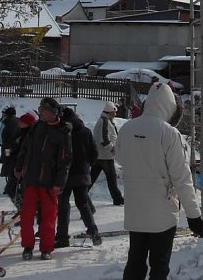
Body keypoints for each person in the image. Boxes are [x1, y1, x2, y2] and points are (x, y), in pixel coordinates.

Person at [116, 82, 203, 280]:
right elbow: (182, 178)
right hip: (162, 214)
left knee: (135, 261)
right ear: (170, 107)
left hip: (135, 210)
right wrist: (194, 215)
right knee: (159, 265)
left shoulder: (127, 128)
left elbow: (119, 158)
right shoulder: (169, 133)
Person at [15, 97, 72, 261]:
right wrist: (19, 167)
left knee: (48, 217)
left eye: (44, 110)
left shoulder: (63, 132)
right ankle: (27, 246)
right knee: (26, 216)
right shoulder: (36, 127)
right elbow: (25, 149)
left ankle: (46, 248)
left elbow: (65, 160)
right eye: (40, 109)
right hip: (31, 179)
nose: (41, 112)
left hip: (49, 182)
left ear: (53, 113)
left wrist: (60, 182)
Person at [54, 106, 101, 249]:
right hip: (82, 172)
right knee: (83, 203)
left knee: (63, 205)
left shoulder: (60, 131)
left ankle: (62, 237)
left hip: (65, 173)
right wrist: (87, 165)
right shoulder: (85, 130)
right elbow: (94, 152)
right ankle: (93, 231)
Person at [90, 100, 124, 206]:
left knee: (92, 178)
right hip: (105, 156)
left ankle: (82, 194)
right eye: (114, 112)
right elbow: (104, 139)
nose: (116, 114)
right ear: (110, 112)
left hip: (99, 155)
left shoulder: (104, 120)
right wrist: (112, 148)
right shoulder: (104, 121)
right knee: (111, 179)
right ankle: (118, 199)